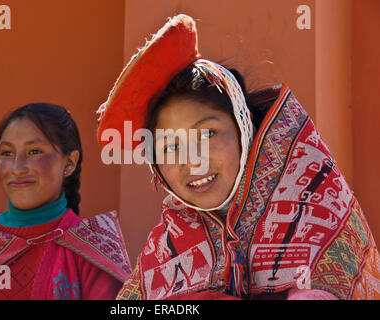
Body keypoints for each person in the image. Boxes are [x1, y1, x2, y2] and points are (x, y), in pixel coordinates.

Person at [96, 15, 379, 300]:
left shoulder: (318, 212)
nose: (192, 161)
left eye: (207, 135)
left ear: (245, 130)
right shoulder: (165, 248)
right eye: (170, 147)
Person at [0, 103, 131, 300]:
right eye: (7, 153)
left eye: (34, 151)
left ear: (69, 163)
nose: (17, 168)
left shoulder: (95, 251)